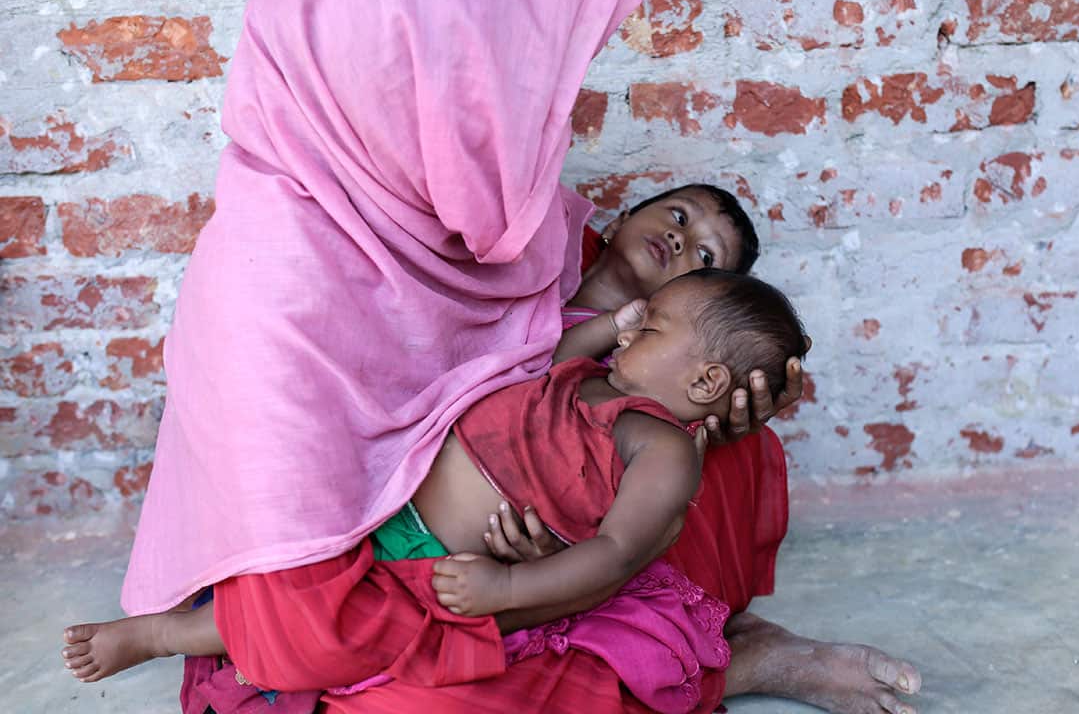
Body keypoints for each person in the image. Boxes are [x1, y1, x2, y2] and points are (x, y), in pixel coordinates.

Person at [62, 0, 920, 714]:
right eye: (468, 90)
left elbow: (591, 373)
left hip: (541, 540)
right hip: (391, 569)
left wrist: (673, 439)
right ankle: (716, 662)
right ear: (384, 92)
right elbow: (305, 570)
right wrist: (502, 567)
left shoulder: (507, 214)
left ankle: (711, 637)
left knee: (697, 424)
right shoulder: (268, 287)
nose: (504, 122)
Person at [63, 268, 809, 714]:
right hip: (386, 502)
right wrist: (616, 323)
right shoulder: (591, 374)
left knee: (321, 620)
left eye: (656, 328)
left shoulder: (662, 447)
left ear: (707, 382)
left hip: (435, 565)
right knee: (286, 579)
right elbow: (548, 347)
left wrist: (508, 585)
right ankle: (193, 632)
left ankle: (161, 636)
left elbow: (615, 554)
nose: (633, 329)